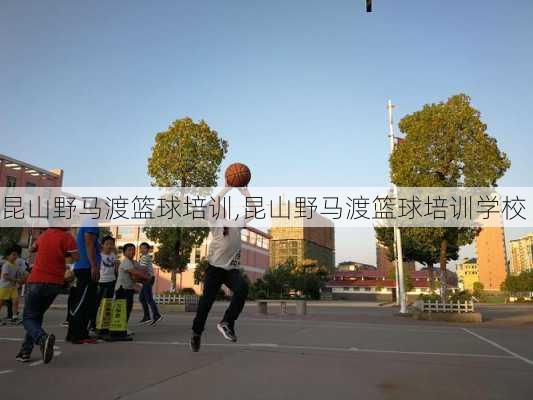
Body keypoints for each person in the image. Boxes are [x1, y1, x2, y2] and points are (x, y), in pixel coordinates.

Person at [190, 185, 255, 352]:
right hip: (215, 269)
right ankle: (196, 333)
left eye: (221, 206)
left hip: (231, 270)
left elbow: (254, 211)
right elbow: (211, 204)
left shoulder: (235, 222)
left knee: (242, 288)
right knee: (206, 303)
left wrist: (245, 192)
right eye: (216, 206)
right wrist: (227, 188)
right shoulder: (215, 222)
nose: (219, 206)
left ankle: (227, 322)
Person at [16, 227, 78, 363]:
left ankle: (42, 338)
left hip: (36, 280)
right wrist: (64, 256)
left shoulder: (43, 236)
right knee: (36, 317)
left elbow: (32, 249)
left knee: (28, 318)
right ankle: (25, 351)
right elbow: (76, 258)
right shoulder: (68, 238)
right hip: (55, 283)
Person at [67, 218, 101, 344]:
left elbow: (92, 244)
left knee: (86, 302)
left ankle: (79, 333)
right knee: (83, 302)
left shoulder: (90, 223)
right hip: (86, 268)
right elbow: (89, 244)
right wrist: (93, 266)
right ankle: (77, 335)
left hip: (84, 267)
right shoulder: (91, 222)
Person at [115, 243, 149, 324]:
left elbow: (141, 271)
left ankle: (124, 327)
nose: (132, 251)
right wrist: (148, 278)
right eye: (129, 250)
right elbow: (136, 273)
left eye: (133, 250)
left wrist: (144, 275)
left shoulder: (134, 262)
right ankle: (119, 329)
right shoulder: (126, 261)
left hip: (129, 289)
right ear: (124, 253)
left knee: (128, 309)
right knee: (121, 310)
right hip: (121, 289)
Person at [93, 235, 117, 329]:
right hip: (101, 282)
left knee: (108, 303)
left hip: (111, 281)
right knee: (97, 303)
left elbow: (115, 269)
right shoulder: (99, 256)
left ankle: (105, 323)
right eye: (107, 244)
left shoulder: (113, 255)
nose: (109, 246)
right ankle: (93, 323)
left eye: (111, 244)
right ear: (102, 245)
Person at [138, 242, 162, 326]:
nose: (142, 249)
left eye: (144, 248)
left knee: (149, 299)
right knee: (142, 298)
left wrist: (133, 269)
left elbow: (143, 268)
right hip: (146, 279)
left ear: (148, 250)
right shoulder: (143, 257)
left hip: (148, 279)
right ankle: (147, 316)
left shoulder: (145, 257)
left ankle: (156, 315)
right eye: (141, 248)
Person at [0, 246, 24, 324]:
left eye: (16, 255)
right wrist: (16, 280)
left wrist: (20, 280)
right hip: (5, 286)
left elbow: (17, 274)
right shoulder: (6, 265)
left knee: (15, 301)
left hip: (12, 287)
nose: (15, 257)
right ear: (8, 256)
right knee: (1, 302)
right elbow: (5, 276)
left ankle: (14, 317)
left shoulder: (15, 265)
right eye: (13, 255)